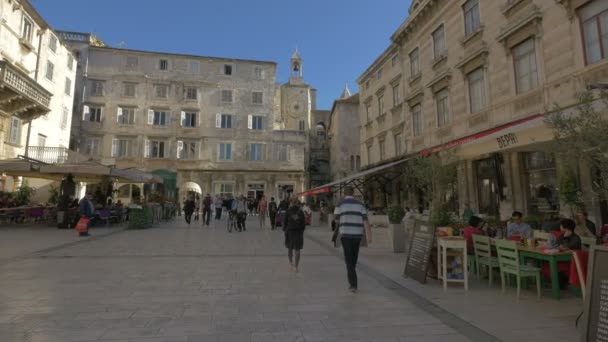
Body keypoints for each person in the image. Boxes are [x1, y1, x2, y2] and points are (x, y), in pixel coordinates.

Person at [333, 186, 372, 293]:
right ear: (353, 193)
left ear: (344, 194)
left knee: (348, 259)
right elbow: (365, 221)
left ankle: (353, 284)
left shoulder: (340, 204)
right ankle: (352, 277)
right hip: (357, 235)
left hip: (345, 234)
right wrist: (369, 236)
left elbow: (336, 219)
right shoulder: (360, 204)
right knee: (354, 257)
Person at [283, 196, 306, 272]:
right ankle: (296, 266)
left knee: (289, 248)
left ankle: (290, 263)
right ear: (297, 202)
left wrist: (285, 230)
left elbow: (285, 222)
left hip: (290, 231)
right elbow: (303, 223)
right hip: (298, 232)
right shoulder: (300, 211)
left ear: (290, 202)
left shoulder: (288, 211)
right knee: (297, 250)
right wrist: (301, 230)